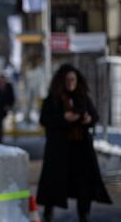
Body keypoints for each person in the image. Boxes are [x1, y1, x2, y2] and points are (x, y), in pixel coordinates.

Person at [36, 63, 112, 222]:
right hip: (59, 150)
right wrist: (63, 118)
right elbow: (44, 120)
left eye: (73, 79)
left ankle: (84, 214)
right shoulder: (53, 99)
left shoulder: (82, 97)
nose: (71, 82)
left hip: (81, 149)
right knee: (54, 183)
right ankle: (48, 213)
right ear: (61, 81)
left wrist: (88, 119)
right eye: (68, 79)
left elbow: (94, 115)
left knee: (84, 184)